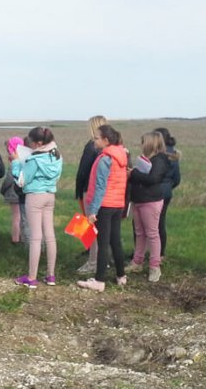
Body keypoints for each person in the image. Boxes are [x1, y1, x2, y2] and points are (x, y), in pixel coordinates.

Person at [77, 125, 129, 292]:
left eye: (97, 138)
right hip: (117, 204)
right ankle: (121, 276)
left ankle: (99, 280)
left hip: (105, 205)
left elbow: (100, 187)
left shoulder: (105, 159)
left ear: (106, 140)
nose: (94, 141)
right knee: (115, 241)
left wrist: (92, 211)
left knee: (103, 242)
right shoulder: (121, 155)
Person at [11, 127, 63, 289]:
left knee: (35, 237)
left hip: (34, 196)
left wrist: (15, 162)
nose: (31, 146)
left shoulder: (34, 159)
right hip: (50, 195)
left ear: (39, 143)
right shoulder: (57, 155)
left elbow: (21, 180)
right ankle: (51, 275)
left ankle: (31, 277)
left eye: (32, 143)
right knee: (50, 235)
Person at [126, 131, 170, 283]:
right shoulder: (148, 158)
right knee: (139, 233)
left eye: (143, 141)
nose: (141, 144)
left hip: (151, 201)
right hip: (139, 200)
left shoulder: (160, 160)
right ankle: (137, 262)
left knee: (152, 234)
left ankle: (154, 267)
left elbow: (153, 179)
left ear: (151, 143)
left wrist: (134, 173)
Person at [75, 115, 108, 275]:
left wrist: (79, 190)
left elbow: (83, 171)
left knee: (90, 227)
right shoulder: (109, 146)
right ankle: (102, 259)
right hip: (104, 192)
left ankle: (93, 262)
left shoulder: (91, 146)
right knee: (101, 227)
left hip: (90, 190)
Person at [153, 127, 181, 259]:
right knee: (160, 223)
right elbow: (177, 179)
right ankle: (161, 253)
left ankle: (140, 252)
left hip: (154, 192)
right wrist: (168, 187)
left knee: (142, 223)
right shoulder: (174, 154)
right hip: (166, 192)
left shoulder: (157, 154)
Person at [1, 136, 26, 244]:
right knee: (22, 216)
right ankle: (22, 236)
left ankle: (15, 239)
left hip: (13, 193)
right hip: (22, 192)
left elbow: (9, 179)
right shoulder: (25, 159)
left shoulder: (15, 162)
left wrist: (2, 190)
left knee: (16, 217)